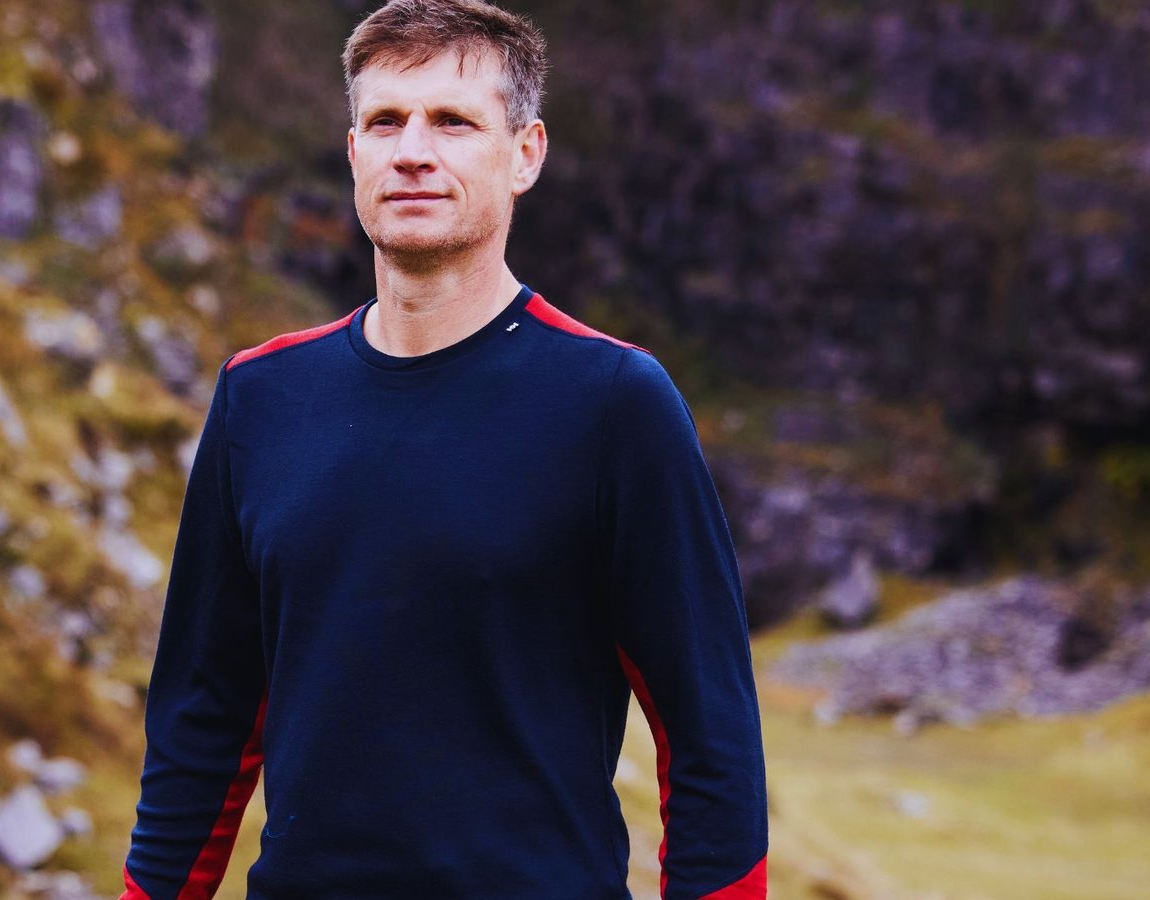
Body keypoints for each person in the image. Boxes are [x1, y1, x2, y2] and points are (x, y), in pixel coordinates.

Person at [118, 1, 768, 897]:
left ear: (525, 154)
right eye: (385, 120)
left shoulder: (615, 404)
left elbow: (710, 738)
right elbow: (203, 720)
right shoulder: (259, 399)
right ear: (353, 155)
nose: (412, 150)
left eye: (453, 122)